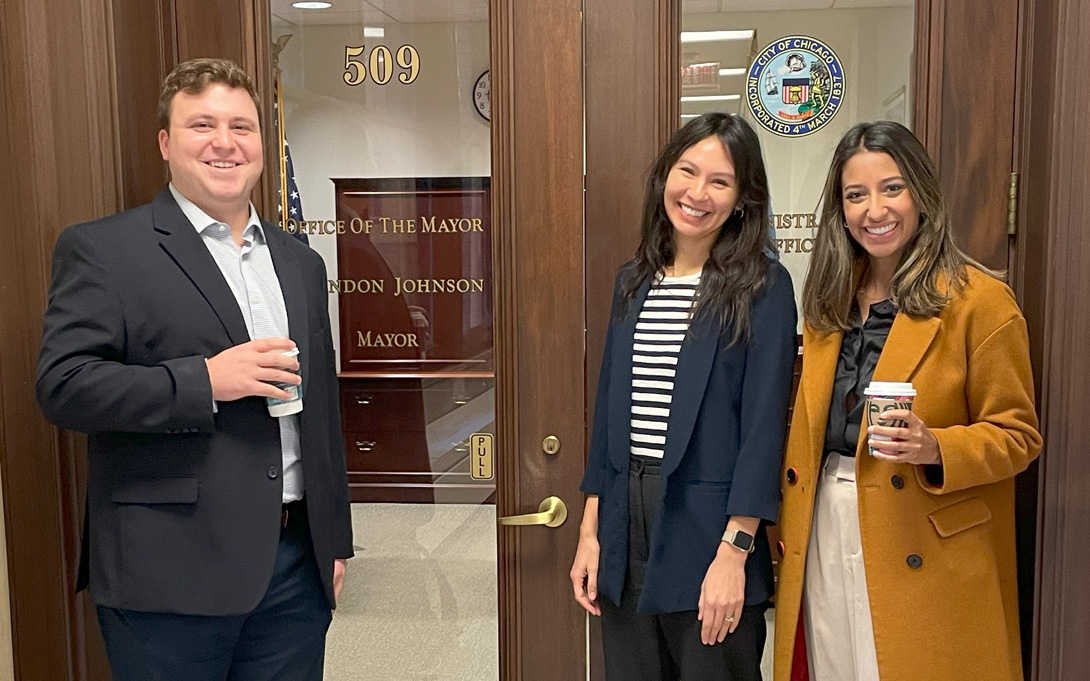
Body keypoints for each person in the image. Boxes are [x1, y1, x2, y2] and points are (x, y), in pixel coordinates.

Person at [35, 58, 352, 681]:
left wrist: (333, 539)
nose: (225, 143)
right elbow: (63, 386)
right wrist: (204, 381)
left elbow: (322, 416)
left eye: (243, 125)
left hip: (294, 571)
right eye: (202, 124)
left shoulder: (300, 263)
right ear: (166, 143)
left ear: (264, 142)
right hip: (168, 575)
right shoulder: (104, 250)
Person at [773, 121, 1043, 681]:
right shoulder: (828, 303)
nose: (875, 209)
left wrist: (935, 445)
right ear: (840, 211)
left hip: (923, 533)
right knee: (834, 667)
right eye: (856, 194)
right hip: (826, 520)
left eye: (892, 188)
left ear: (921, 193)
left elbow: (1019, 436)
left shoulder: (980, 302)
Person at [570, 112, 797, 680]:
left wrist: (735, 554)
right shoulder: (633, 280)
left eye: (719, 182)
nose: (697, 193)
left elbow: (763, 430)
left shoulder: (764, 286)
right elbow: (609, 414)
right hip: (624, 527)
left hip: (709, 534)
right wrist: (590, 532)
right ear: (664, 177)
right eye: (687, 171)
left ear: (743, 198)